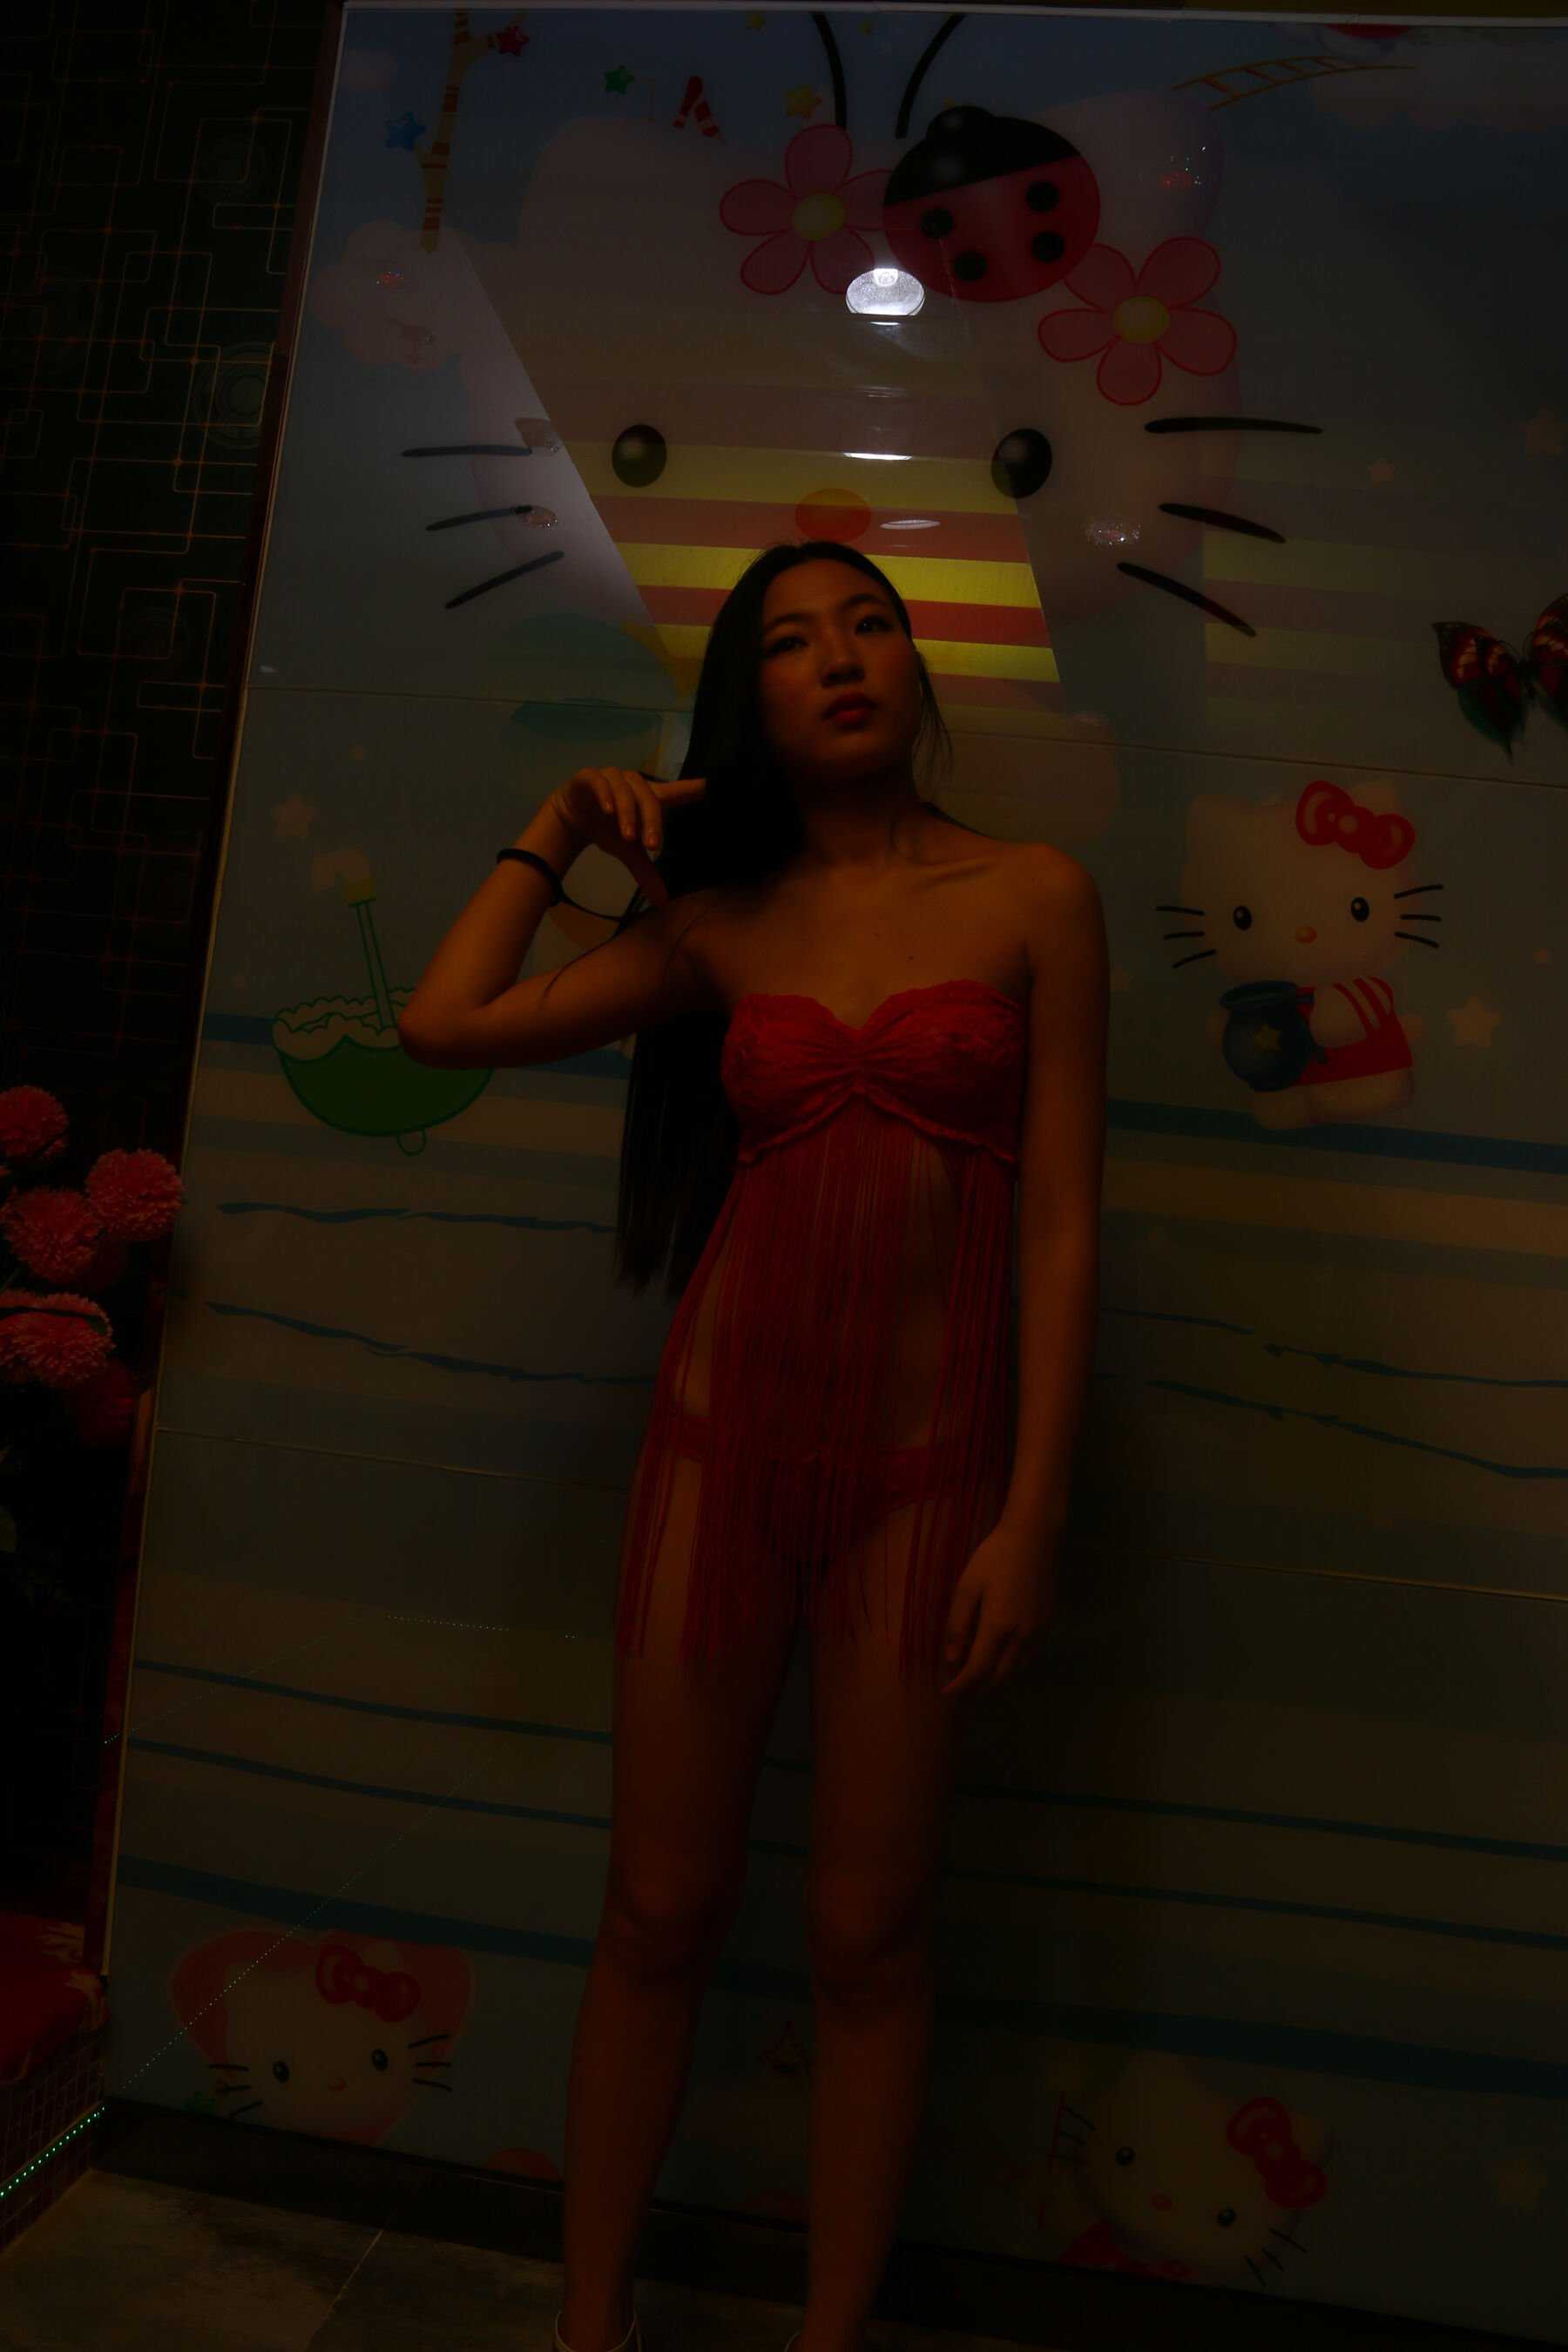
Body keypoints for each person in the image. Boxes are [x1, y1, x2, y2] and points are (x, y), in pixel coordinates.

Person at [398, 540, 1108, 2352]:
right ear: (754, 703)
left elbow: (1059, 1225)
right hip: (717, 1463)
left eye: (870, 624)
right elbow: (441, 1023)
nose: (841, 657)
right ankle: (588, 2329)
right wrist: (557, 822)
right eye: (793, 642)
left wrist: (1031, 1512)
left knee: (870, 1934)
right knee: (657, 1909)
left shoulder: (1035, 895)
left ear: (916, 671)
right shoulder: (717, 925)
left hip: (922, 1490)